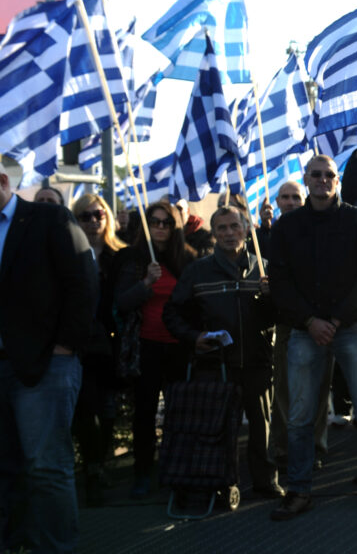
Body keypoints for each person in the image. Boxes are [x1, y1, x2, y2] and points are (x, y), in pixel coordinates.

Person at [268, 154, 357, 521]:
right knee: (298, 417)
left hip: (351, 328)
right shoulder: (286, 227)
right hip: (303, 329)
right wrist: (310, 320)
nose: (323, 180)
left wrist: (338, 318)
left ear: (337, 181)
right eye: (317, 174)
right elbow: (279, 282)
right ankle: (298, 490)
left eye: (329, 175)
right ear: (306, 179)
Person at [0, 157, 97, 554]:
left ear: (3, 183)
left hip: (44, 366)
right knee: (8, 469)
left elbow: (83, 282)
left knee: (45, 466)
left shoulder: (46, 218)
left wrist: (66, 346)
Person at [163, 205, 283, 499]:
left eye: (235, 226)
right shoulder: (198, 270)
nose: (229, 233)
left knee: (262, 426)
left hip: (257, 359)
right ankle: (220, 480)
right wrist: (193, 337)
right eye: (222, 228)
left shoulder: (265, 267)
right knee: (217, 427)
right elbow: (172, 313)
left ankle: (266, 481)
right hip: (216, 363)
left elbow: (283, 315)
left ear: (247, 228)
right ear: (214, 233)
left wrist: (272, 298)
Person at [114, 200, 197, 498]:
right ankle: (142, 473)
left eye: (166, 223)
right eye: (155, 222)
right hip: (145, 346)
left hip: (179, 346)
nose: (160, 227)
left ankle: (175, 470)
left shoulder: (188, 260)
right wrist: (145, 283)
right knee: (145, 413)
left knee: (179, 413)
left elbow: (195, 305)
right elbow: (122, 302)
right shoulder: (133, 259)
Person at [263, 181, 336, 474]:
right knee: (284, 390)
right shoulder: (264, 236)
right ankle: (282, 448)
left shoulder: (312, 229)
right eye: (285, 197)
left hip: (321, 323)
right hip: (287, 323)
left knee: (319, 388)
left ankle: (316, 446)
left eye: (296, 196)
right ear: (277, 202)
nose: (291, 201)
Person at [70, 193, 126, 505]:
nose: (93, 221)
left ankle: (98, 464)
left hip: (111, 342)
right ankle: (91, 468)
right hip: (77, 342)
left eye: (98, 215)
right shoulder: (66, 252)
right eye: (85, 216)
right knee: (83, 409)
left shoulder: (120, 255)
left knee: (106, 409)